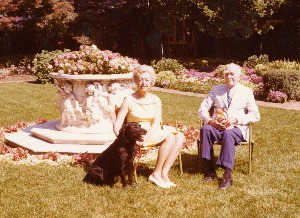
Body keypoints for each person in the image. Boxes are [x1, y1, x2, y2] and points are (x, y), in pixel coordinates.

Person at [113, 65, 185, 188]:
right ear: (136, 81)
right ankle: (155, 174)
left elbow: (157, 122)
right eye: (140, 80)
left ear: (151, 82)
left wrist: (147, 137)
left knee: (180, 137)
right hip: (137, 134)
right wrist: (122, 140)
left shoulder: (155, 99)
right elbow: (118, 123)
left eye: (147, 80)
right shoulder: (129, 100)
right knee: (170, 138)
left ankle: (163, 172)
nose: (143, 83)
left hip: (152, 131)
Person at [198, 63, 260, 190]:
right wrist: (210, 121)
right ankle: (210, 170)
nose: (229, 76)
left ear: (239, 76)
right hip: (217, 126)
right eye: (226, 74)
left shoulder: (246, 92)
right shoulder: (216, 90)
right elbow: (201, 109)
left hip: (236, 129)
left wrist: (236, 120)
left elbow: (255, 115)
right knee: (205, 129)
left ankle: (227, 175)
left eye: (232, 74)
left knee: (228, 134)